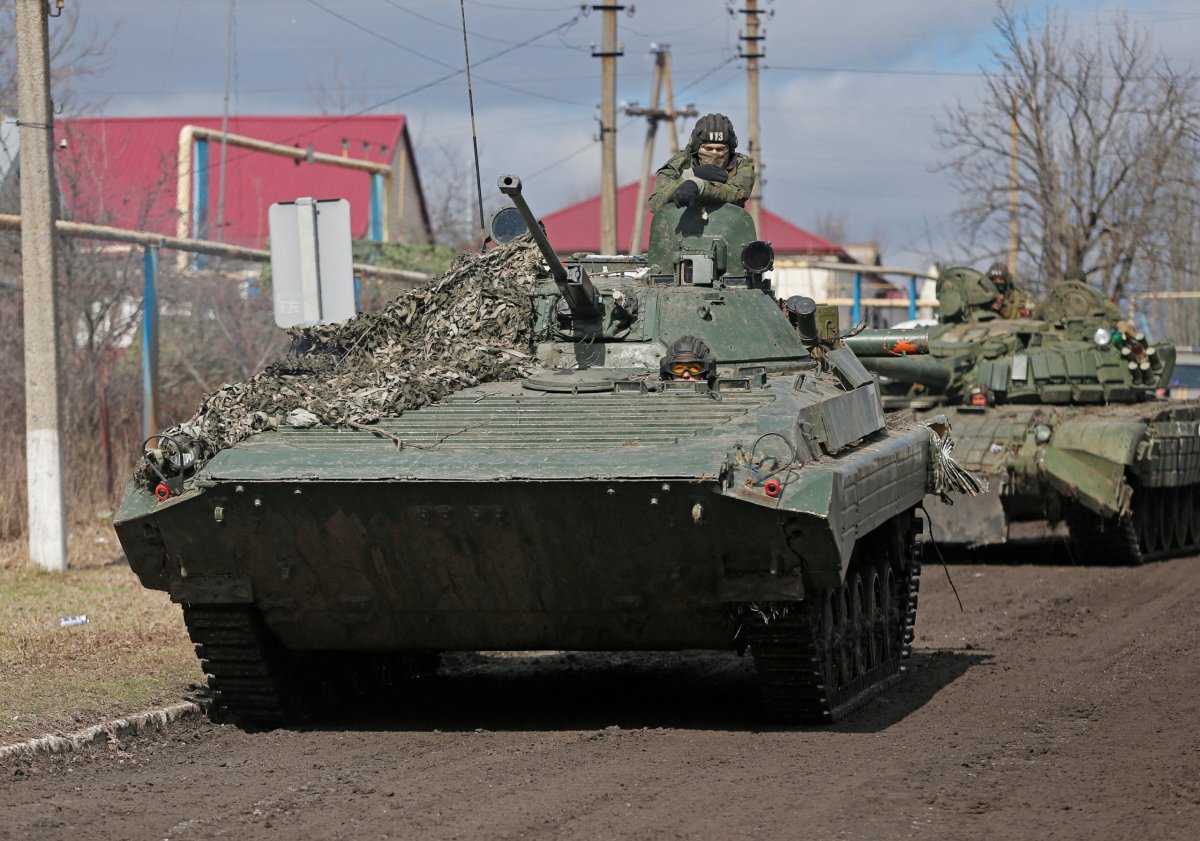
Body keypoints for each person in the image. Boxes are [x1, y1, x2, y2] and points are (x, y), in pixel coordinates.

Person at [648, 113, 756, 213]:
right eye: (708, 148)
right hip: (684, 229)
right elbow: (655, 204)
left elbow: (736, 194)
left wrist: (698, 185)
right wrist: (689, 176)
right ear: (697, 148)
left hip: (726, 228)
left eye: (720, 149)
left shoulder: (741, 164)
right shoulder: (680, 163)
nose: (714, 153)